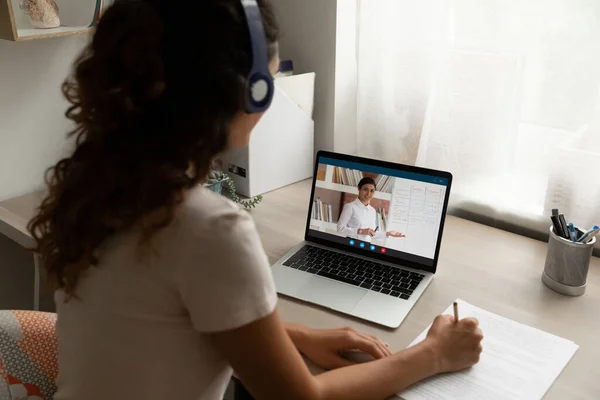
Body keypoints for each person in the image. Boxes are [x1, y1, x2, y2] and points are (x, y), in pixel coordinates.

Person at [27, 1, 483, 399]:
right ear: (254, 90)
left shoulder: (99, 183)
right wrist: (434, 354)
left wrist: (297, 335)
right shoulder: (209, 228)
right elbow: (303, 398)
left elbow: (159, 321)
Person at [337, 177, 405, 240]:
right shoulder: (350, 207)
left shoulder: (372, 211)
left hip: (366, 247)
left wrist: (389, 233)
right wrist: (361, 231)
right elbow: (340, 229)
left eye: (372, 191)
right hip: (351, 244)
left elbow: (372, 234)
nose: (368, 194)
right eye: (365, 189)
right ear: (359, 189)